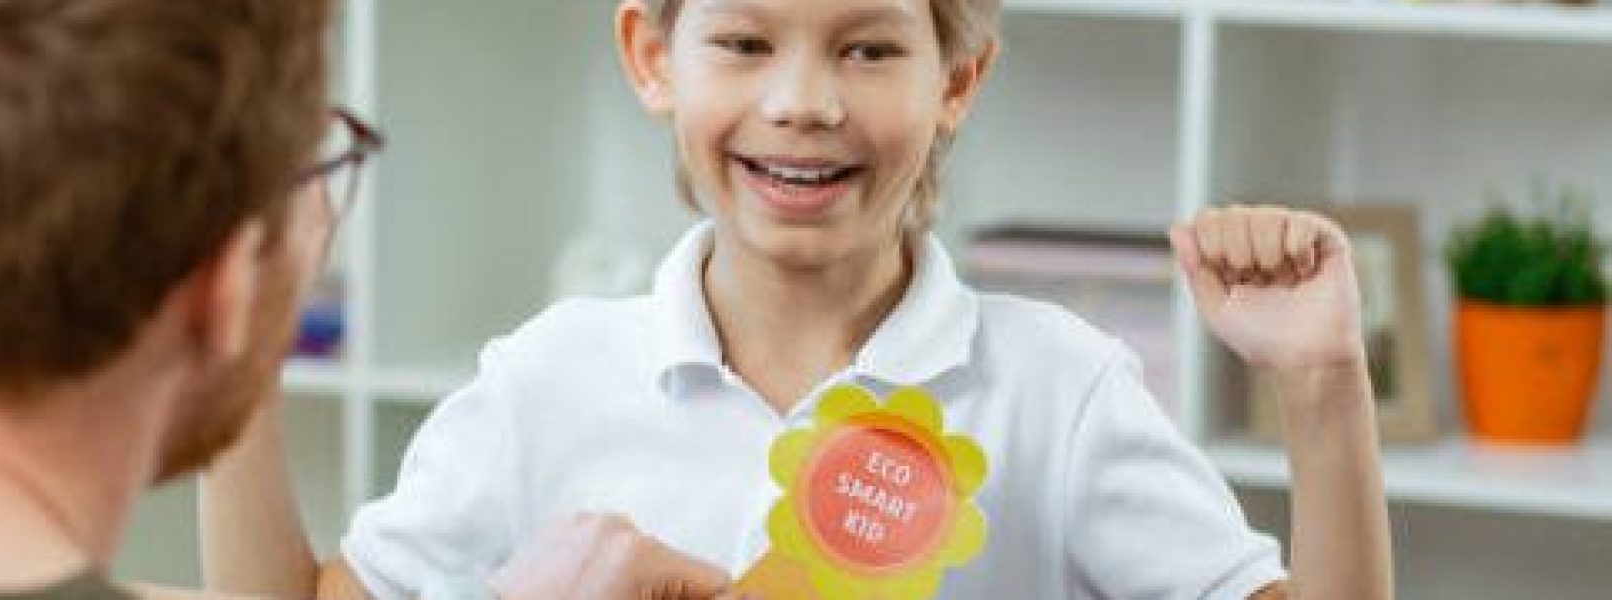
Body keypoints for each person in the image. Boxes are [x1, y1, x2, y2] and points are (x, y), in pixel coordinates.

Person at [204, 0, 1393, 598]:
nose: (803, 101)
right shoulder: (545, 378)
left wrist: (1322, 389)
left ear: (958, 80)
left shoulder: (1057, 389)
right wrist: (242, 350)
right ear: (652, 57)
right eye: (745, 41)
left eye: (868, 48)